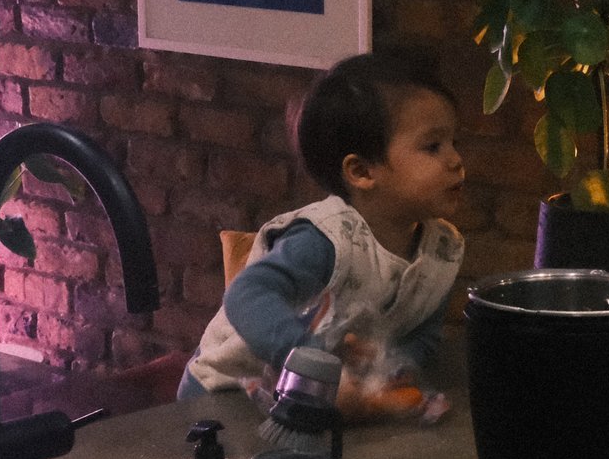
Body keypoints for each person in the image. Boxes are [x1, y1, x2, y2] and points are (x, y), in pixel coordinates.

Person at [179, 49, 467, 416]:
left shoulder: (443, 250)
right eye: (433, 146)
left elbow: (421, 336)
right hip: (226, 396)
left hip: (311, 403)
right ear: (362, 171)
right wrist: (308, 361)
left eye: (455, 142)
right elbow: (247, 295)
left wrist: (388, 369)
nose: (456, 160)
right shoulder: (326, 239)